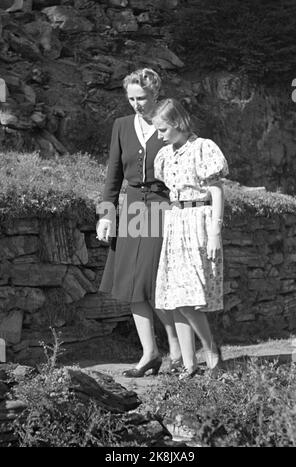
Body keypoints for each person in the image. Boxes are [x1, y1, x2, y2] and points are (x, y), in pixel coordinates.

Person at [96, 69, 191, 377]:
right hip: (134, 207)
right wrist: (106, 215)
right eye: (131, 99)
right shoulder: (121, 126)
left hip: (164, 207)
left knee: (158, 282)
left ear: (156, 94)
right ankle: (149, 353)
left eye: (143, 98)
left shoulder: (169, 124)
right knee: (131, 283)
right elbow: (113, 174)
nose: (136, 104)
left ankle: (176, 351)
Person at [152, 98, 229, 380]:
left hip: (199, 220)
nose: (159, 135)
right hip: (176, 221)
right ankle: (189, 364)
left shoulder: (202, 148)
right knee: (175, 297)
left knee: (188, 298)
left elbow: (217, 191)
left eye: (162, 129)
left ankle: (211, 351)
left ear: (177, 123)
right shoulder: (165, 155)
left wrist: (215, 232)